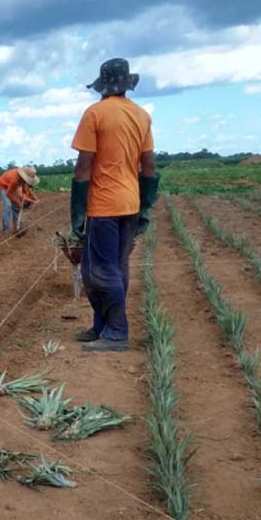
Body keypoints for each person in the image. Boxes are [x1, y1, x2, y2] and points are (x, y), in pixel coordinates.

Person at [70, 58, 160, 353]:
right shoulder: (141, 116)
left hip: (104, 205)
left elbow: (84, 167)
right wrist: (145, 206)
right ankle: (101, 326)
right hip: (130, 204)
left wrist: (77, 213)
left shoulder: (95, 113)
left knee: (97, 271)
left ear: (102, 87)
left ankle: (117, 333)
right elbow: (149, 167)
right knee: (117, 267)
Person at [0, 165, 39, 233]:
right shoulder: (15, 179)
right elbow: (9, 193)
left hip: (11, 187)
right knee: (8, 205)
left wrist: (24, 194)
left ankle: (17, 226)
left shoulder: (24, 178)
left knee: (16, 207)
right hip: (3, 186)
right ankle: (5, 229)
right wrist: (18, 203)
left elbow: (24, 188)